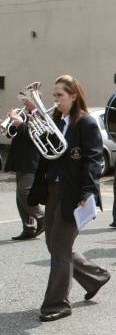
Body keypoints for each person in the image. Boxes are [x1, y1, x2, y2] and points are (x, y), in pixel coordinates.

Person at [28, 75, 111, 322]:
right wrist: (34, 126)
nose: (55, 100)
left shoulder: (85, 123)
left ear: (73, 96)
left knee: (60, 248)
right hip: (54, 190)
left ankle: (57, 303)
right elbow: (48, 154)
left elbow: (94, 159)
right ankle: (95, 276)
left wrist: (88, 192)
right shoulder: (55, 119)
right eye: (53, 96)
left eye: (59, 96)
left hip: (74, 194)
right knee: (53, 245)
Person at [3, 100, 45, 240]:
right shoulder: (24, 115)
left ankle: (42, 218)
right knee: (19, 197)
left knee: (24, 192)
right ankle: (28, 228)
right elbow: (11, 134)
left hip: (32, 160)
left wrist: (20, 123)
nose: (24, 103)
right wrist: (10, 122)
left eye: (27, 100)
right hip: (20, 160)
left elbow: (36, 135)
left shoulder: (40, 116)